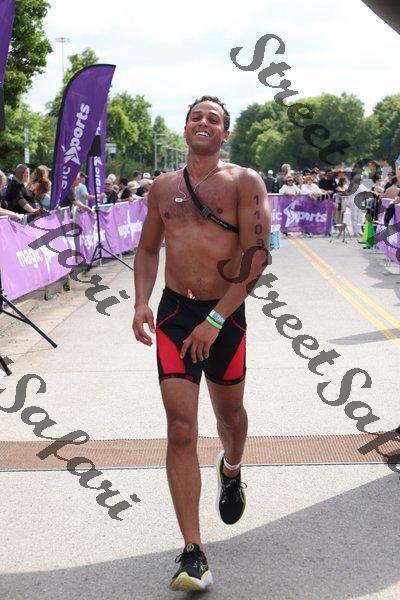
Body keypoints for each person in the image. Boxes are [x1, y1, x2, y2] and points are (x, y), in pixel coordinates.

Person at [132, 95, 270, 592]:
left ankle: (231, 469)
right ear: (186, 127)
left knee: (230, 417)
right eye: (196, 117)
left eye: (214, 118)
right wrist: (141, 302)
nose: (204, 122)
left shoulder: (244, 182)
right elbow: (148, 248)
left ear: (224, 133)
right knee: (181, 430)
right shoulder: (163, 187)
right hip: (175, 315)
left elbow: (257, 257)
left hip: (225, 315)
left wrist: (214, 319)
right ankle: (193, 552)